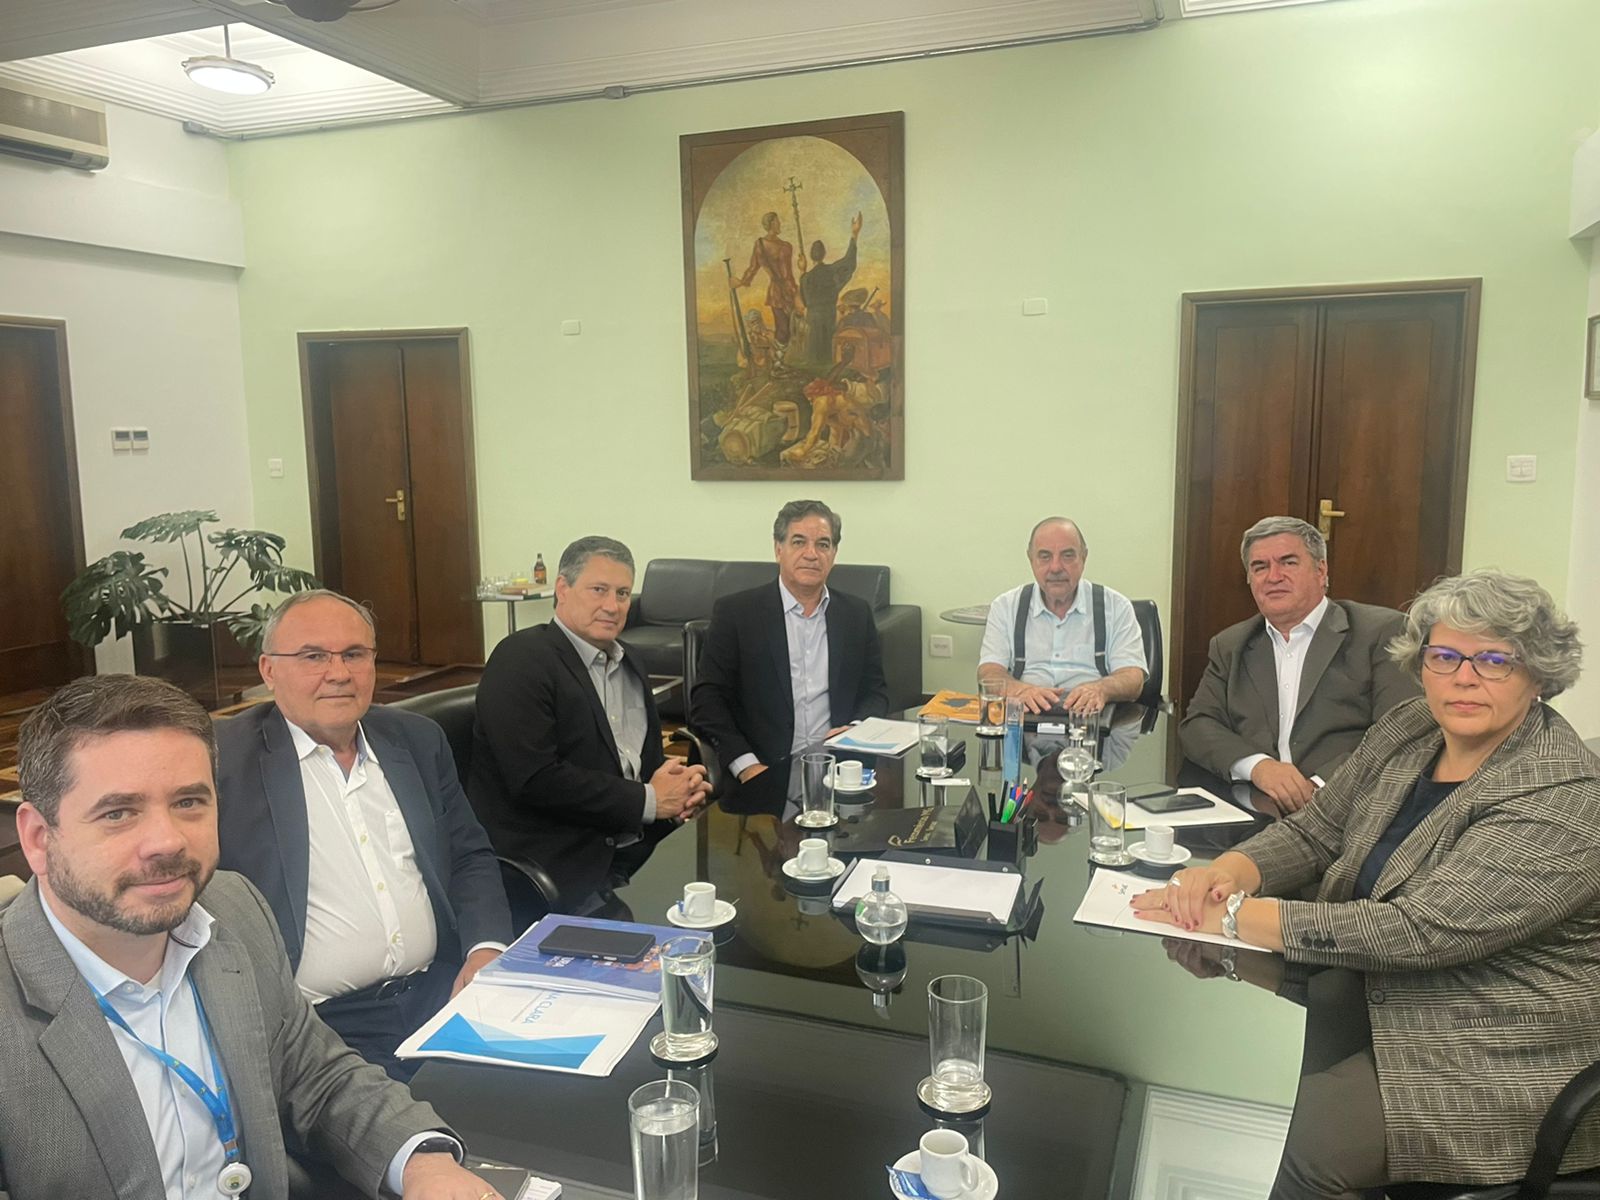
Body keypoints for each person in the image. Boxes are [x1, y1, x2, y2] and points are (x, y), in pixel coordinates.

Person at [1134, 569, 1600, 1196]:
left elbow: (1416, 932)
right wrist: (1226, 873)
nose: (1464, 677)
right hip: (1381, 987)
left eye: (1494, 660)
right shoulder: (1412, 727)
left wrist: (1234, 918)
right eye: (1445, 656)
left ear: (1538, 673)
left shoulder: (1564, 793)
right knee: (1243, 1044)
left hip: (1500, 1042)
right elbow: (1317, 830)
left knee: (1315, 1142)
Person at [0, 674, 500, 1200]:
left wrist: (424, 1165)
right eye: (118, 813)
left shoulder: (233, 907)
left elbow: (317, 1076)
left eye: (189, 802)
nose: (167, 841)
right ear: (37, 838)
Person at [216, 590, 512, 1080]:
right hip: (320, 1026)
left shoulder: (416, 739)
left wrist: (486, 951)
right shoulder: (223, 761)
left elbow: (468, 855)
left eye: (354, 654)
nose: (339, 673)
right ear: (269, 670)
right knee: (423, 1125)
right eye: (313, 656)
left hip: (443, 991)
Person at [470, 536, 710, 904]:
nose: (612, 606)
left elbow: (639, 762)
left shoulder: (630, 661)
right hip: (563, 866)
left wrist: (679, 790)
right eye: (598, 590)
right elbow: (536, 780)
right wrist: (649, 800)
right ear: (562, 589)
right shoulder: (520, 659)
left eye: (622, 593)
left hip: (636, 846)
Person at [1179, 516, 1419, 811]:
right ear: (1249, 579)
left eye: (1288, 562)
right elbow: (1198, 726)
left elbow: (1399, 731)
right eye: (1260, 567)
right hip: (1257, 805)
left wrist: (1319, 786)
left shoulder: (1380, 631)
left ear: (1321, 570)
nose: (1273, 576)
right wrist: (1258, 767)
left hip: (1352, 805)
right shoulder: (1231, 644)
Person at [692, 499, 889, 783]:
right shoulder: (737, 613)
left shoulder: (856, 614)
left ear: (834, 553)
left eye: (823, 544)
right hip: (762, 769)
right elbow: (707, 700)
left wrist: (856, 730)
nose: (811, 554)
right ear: (778, 549)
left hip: (839, 769)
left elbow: (875, 690)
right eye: (799, 542)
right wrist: (746, 766)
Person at [977, 517, 1148, 716]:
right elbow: (989, 672)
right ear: (1031, 559)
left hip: (1090, 720)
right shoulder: (1005, 607)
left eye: (1067, 556)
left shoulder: (1117, 607)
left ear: (1083, 558)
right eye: (1045, 556)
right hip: (1025, 718)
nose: (1056, 567)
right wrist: (1019, 690)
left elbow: (1133, 678)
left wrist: (1100, 689)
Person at [736, 211, 800, 362]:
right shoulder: (777, 246)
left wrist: (741, 281)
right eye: (777, 222)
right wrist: (740, 282)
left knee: (787, 328)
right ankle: (777, 361)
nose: (780, 224)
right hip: (782, 292)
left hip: (782, 291)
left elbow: (753, 269)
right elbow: (784, 275)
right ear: (771, 224)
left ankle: (780, 361)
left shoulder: (772, 245)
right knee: (785, 329)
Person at [798, 212, 861, 364]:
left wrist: (802, 270)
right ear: (824, 254)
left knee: (814, 352)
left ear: (811, 256)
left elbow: (804, 301)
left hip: (813, 317)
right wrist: (854, 234)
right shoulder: (832, 272)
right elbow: (849, 262)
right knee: (827, 351)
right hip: (828, 315)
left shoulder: (805, 278)